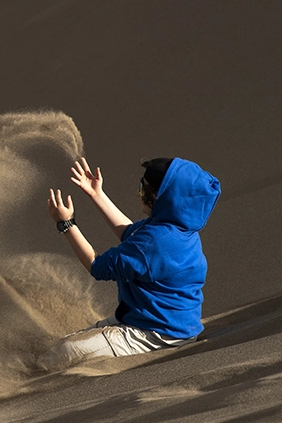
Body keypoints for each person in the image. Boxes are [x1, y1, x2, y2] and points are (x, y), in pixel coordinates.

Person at [39, 155, 221, 370]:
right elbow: (129, 233)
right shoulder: (174, 227)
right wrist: (97, 194)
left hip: (158, 335)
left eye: (144, 186)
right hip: (159, 322)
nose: (139, 192)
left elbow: (97, 266)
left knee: (63, 353)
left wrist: (66, 224)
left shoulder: (157, 241)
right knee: (62, 344)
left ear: (159, 197)